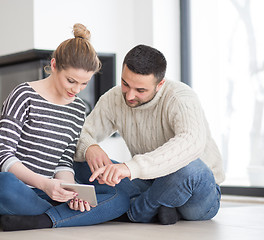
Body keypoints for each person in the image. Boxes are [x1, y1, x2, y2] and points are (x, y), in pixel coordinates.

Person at [0, 23, 129, 231]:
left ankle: (42, 219)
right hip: (4, 192)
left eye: (84, 84)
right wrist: (46, 185)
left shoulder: (77, 109)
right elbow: (2, 154)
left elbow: (64, 161)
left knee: (119, 197)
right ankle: (60, 217)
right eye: (71, 80)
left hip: (43, 193)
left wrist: (71, 192)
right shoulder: (23, 95)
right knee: (1, 183)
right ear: (54, 65)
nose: (77, 89)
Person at [74, 44, 225, 225]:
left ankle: (135, 212)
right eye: (125, 83)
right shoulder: (114, 98)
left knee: (190, 167)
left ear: (160, 84)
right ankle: (159, 206)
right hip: (148, 184)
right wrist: (90, 147)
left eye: (140, 90)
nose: (129, 95)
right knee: (80, 163)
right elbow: (79, 134)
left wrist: (130, 168)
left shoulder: (180, 97)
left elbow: (191, 142)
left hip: (195, 192)